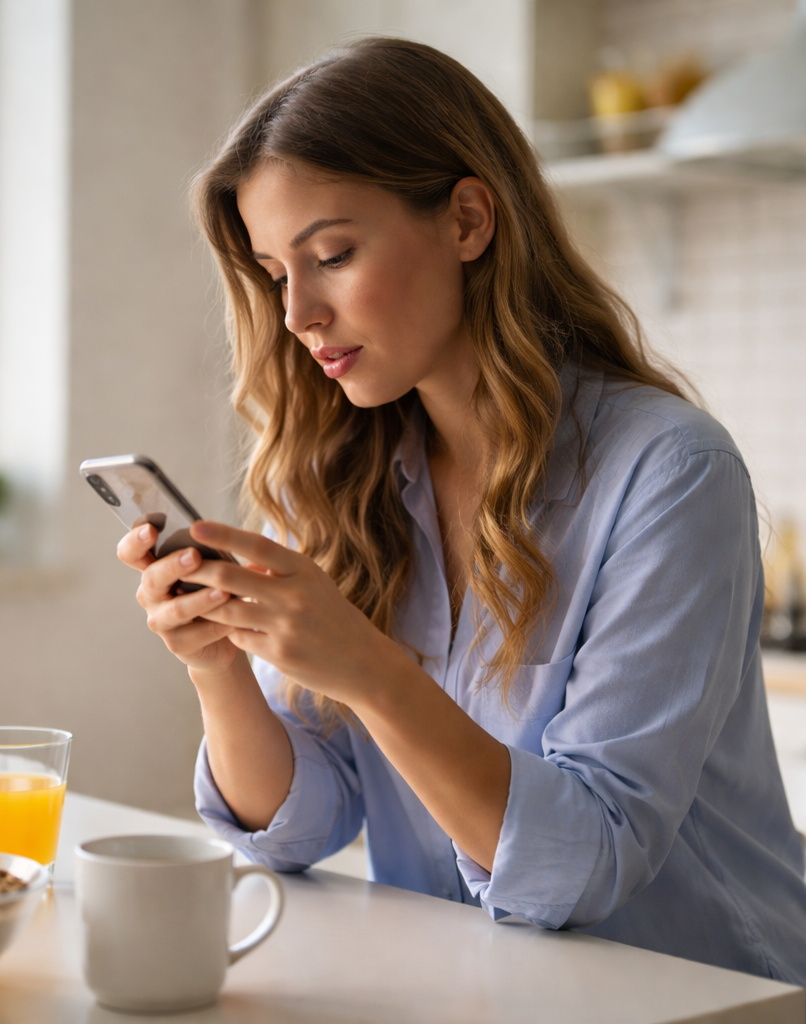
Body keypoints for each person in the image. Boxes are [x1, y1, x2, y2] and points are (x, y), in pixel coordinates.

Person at [116, 37, 806, 985]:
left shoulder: (669, 472)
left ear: (470, 220)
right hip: (479, 987)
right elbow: (300, 827)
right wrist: (219, 666)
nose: (297, 315)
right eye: (278, 273)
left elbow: (585, 864)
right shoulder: (338, 479)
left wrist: (369, 669)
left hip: (707, 992)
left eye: (332, 255)